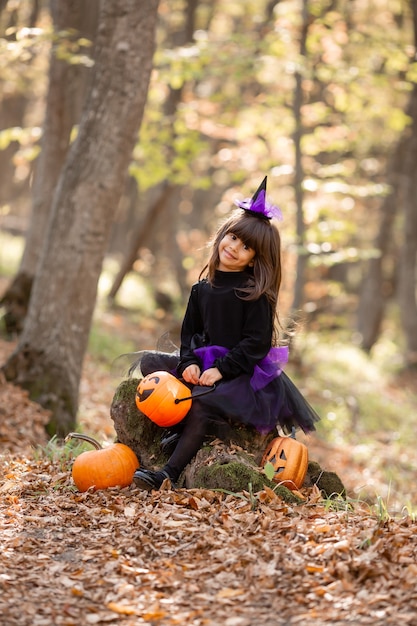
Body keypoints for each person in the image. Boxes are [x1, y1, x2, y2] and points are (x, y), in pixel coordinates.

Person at [132, 176, 319, 491]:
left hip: (242, 372)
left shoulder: (253, 294)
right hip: (205, 364)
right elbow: (190, 333)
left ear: (254, 259)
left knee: (204, 405)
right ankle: (179, 422)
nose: (234, 248)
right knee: (149, 363)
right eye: (233, 237)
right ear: (222, 235)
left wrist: (221, 369)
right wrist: (189, 361)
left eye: (246, 247)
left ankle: (168, 473)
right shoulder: (201, 289)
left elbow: (255, 345)